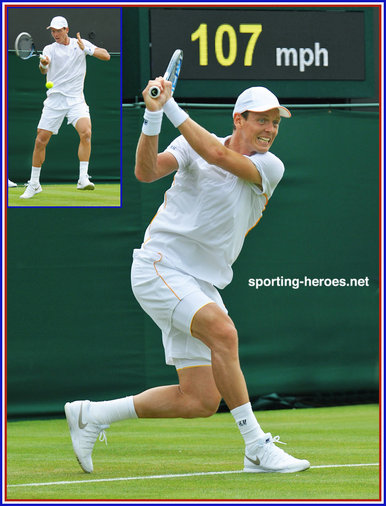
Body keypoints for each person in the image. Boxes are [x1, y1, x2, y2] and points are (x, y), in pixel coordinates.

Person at [65, 82, 310, 475]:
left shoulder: (270, 166)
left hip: (200, 282)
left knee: (199, 400)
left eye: (275, 122)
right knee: (224, 333)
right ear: (239, 119)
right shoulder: (191, 143)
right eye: (262, 119)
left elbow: (215, 153)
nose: (270, 129)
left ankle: (91, 415)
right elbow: (145, 172)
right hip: (159, 266)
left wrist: (170, 105)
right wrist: (152, 116)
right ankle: (256, 447)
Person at [20, 16, 110, 199]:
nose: (55, 34)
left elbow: (106, 56)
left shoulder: (80, 43)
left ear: (66, 29)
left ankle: (83, 178)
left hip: (76, 100)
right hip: (55, 101)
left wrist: (88, 50)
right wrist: (43, 65)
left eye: (58, 30)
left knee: (86, 133)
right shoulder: (48, 49)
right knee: (40, 141)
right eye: (52, 31)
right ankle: (35, 183)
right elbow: (43, 70)